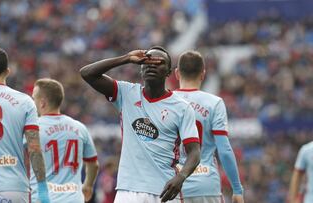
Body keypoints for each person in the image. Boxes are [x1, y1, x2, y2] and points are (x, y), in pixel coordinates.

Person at [80, 46, 201, 203]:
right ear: (140, 68)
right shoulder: (126, 93)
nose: (152, 65)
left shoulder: (182, 107)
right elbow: (87, 73)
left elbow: (194, 152)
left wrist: (181, 177)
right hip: (128, 191)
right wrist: (126, 58)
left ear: (169, 72)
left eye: (159, 62)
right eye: (148, 61)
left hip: (164, 190)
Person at [0, 47, 50, 203]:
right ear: (7, 71)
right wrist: (42, 186)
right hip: (15, 188)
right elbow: (34, 148)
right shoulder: (25, 102)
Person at [174, 50, 244, 203]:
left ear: (177, 73)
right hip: (206, 186)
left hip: (172, 186)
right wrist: (237, 189)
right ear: (203, 74)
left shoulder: (165, 102)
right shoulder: (214, 103)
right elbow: (224, 150)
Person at [30, 78, 99, 202]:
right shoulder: (80, 127)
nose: (32, 102)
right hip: (73, 199)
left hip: (43, 198)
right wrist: (88, 186)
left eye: (34, 98)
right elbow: (93, 164)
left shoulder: (33, 129)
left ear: (42, 103)